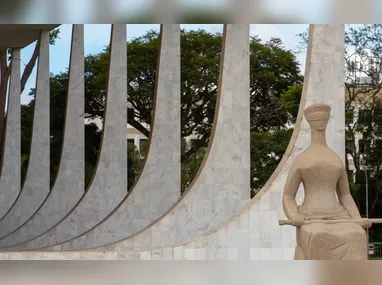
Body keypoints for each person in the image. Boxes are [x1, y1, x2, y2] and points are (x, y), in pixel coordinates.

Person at [282, 103, 371, 260]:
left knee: (358, 234)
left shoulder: (335, 159)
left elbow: (345, 195)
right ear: (310, 122)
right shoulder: (302, 159)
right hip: (311, 217)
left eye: (323, 119)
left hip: (339, 216)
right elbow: (288, 195)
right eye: (317, 119)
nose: (320, 122)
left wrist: (357, 218)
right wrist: (294, 215)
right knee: (319, 236)